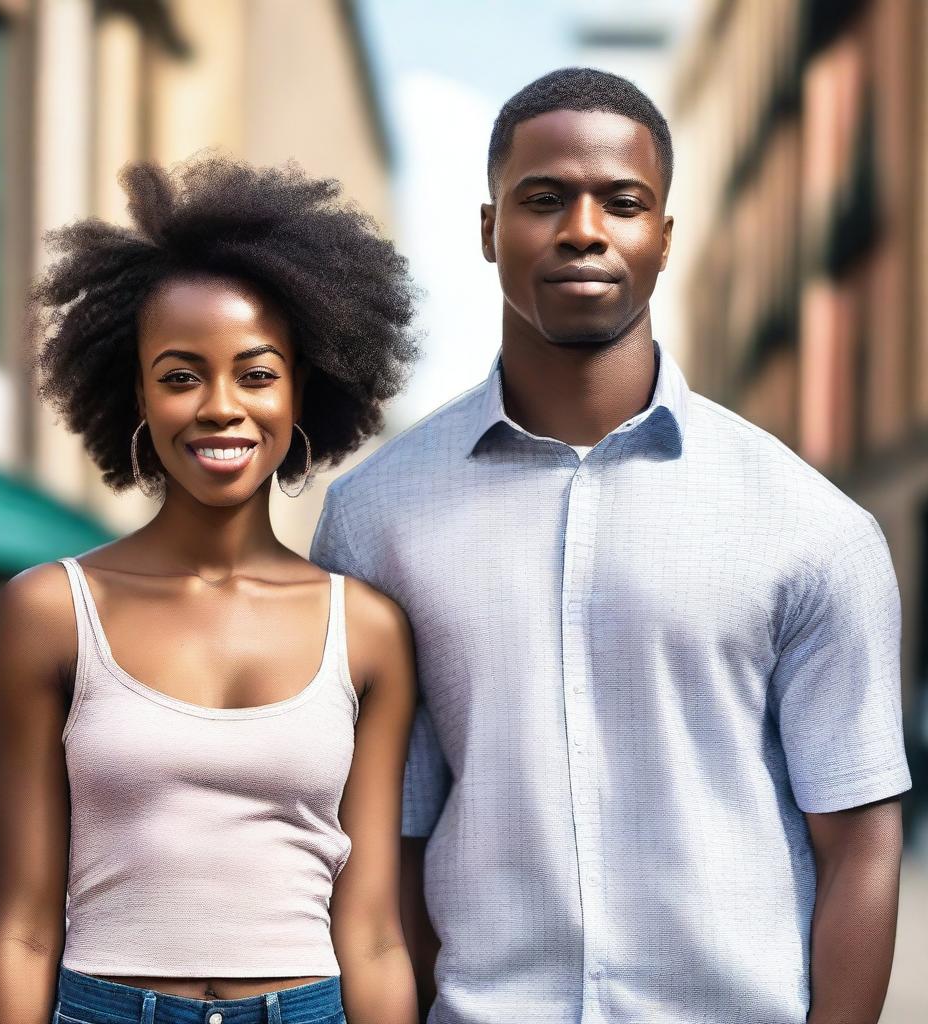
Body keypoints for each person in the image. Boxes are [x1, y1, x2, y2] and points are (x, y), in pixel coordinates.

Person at [311, 68, 911, 1024]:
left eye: (621, 202)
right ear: (486, 230)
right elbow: (392, 838)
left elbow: (861, 844)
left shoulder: (813, 528)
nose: (582, 228)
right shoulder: (376, 518)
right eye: (542, 198)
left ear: (663, 238)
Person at [0, 155, 421, 1024]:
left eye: (257, 374)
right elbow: (24, 928)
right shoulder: (50, 613)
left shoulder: (366, 631)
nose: (221, 406)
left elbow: (371, 933)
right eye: (181, 375)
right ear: (135, 390)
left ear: (304, 389)